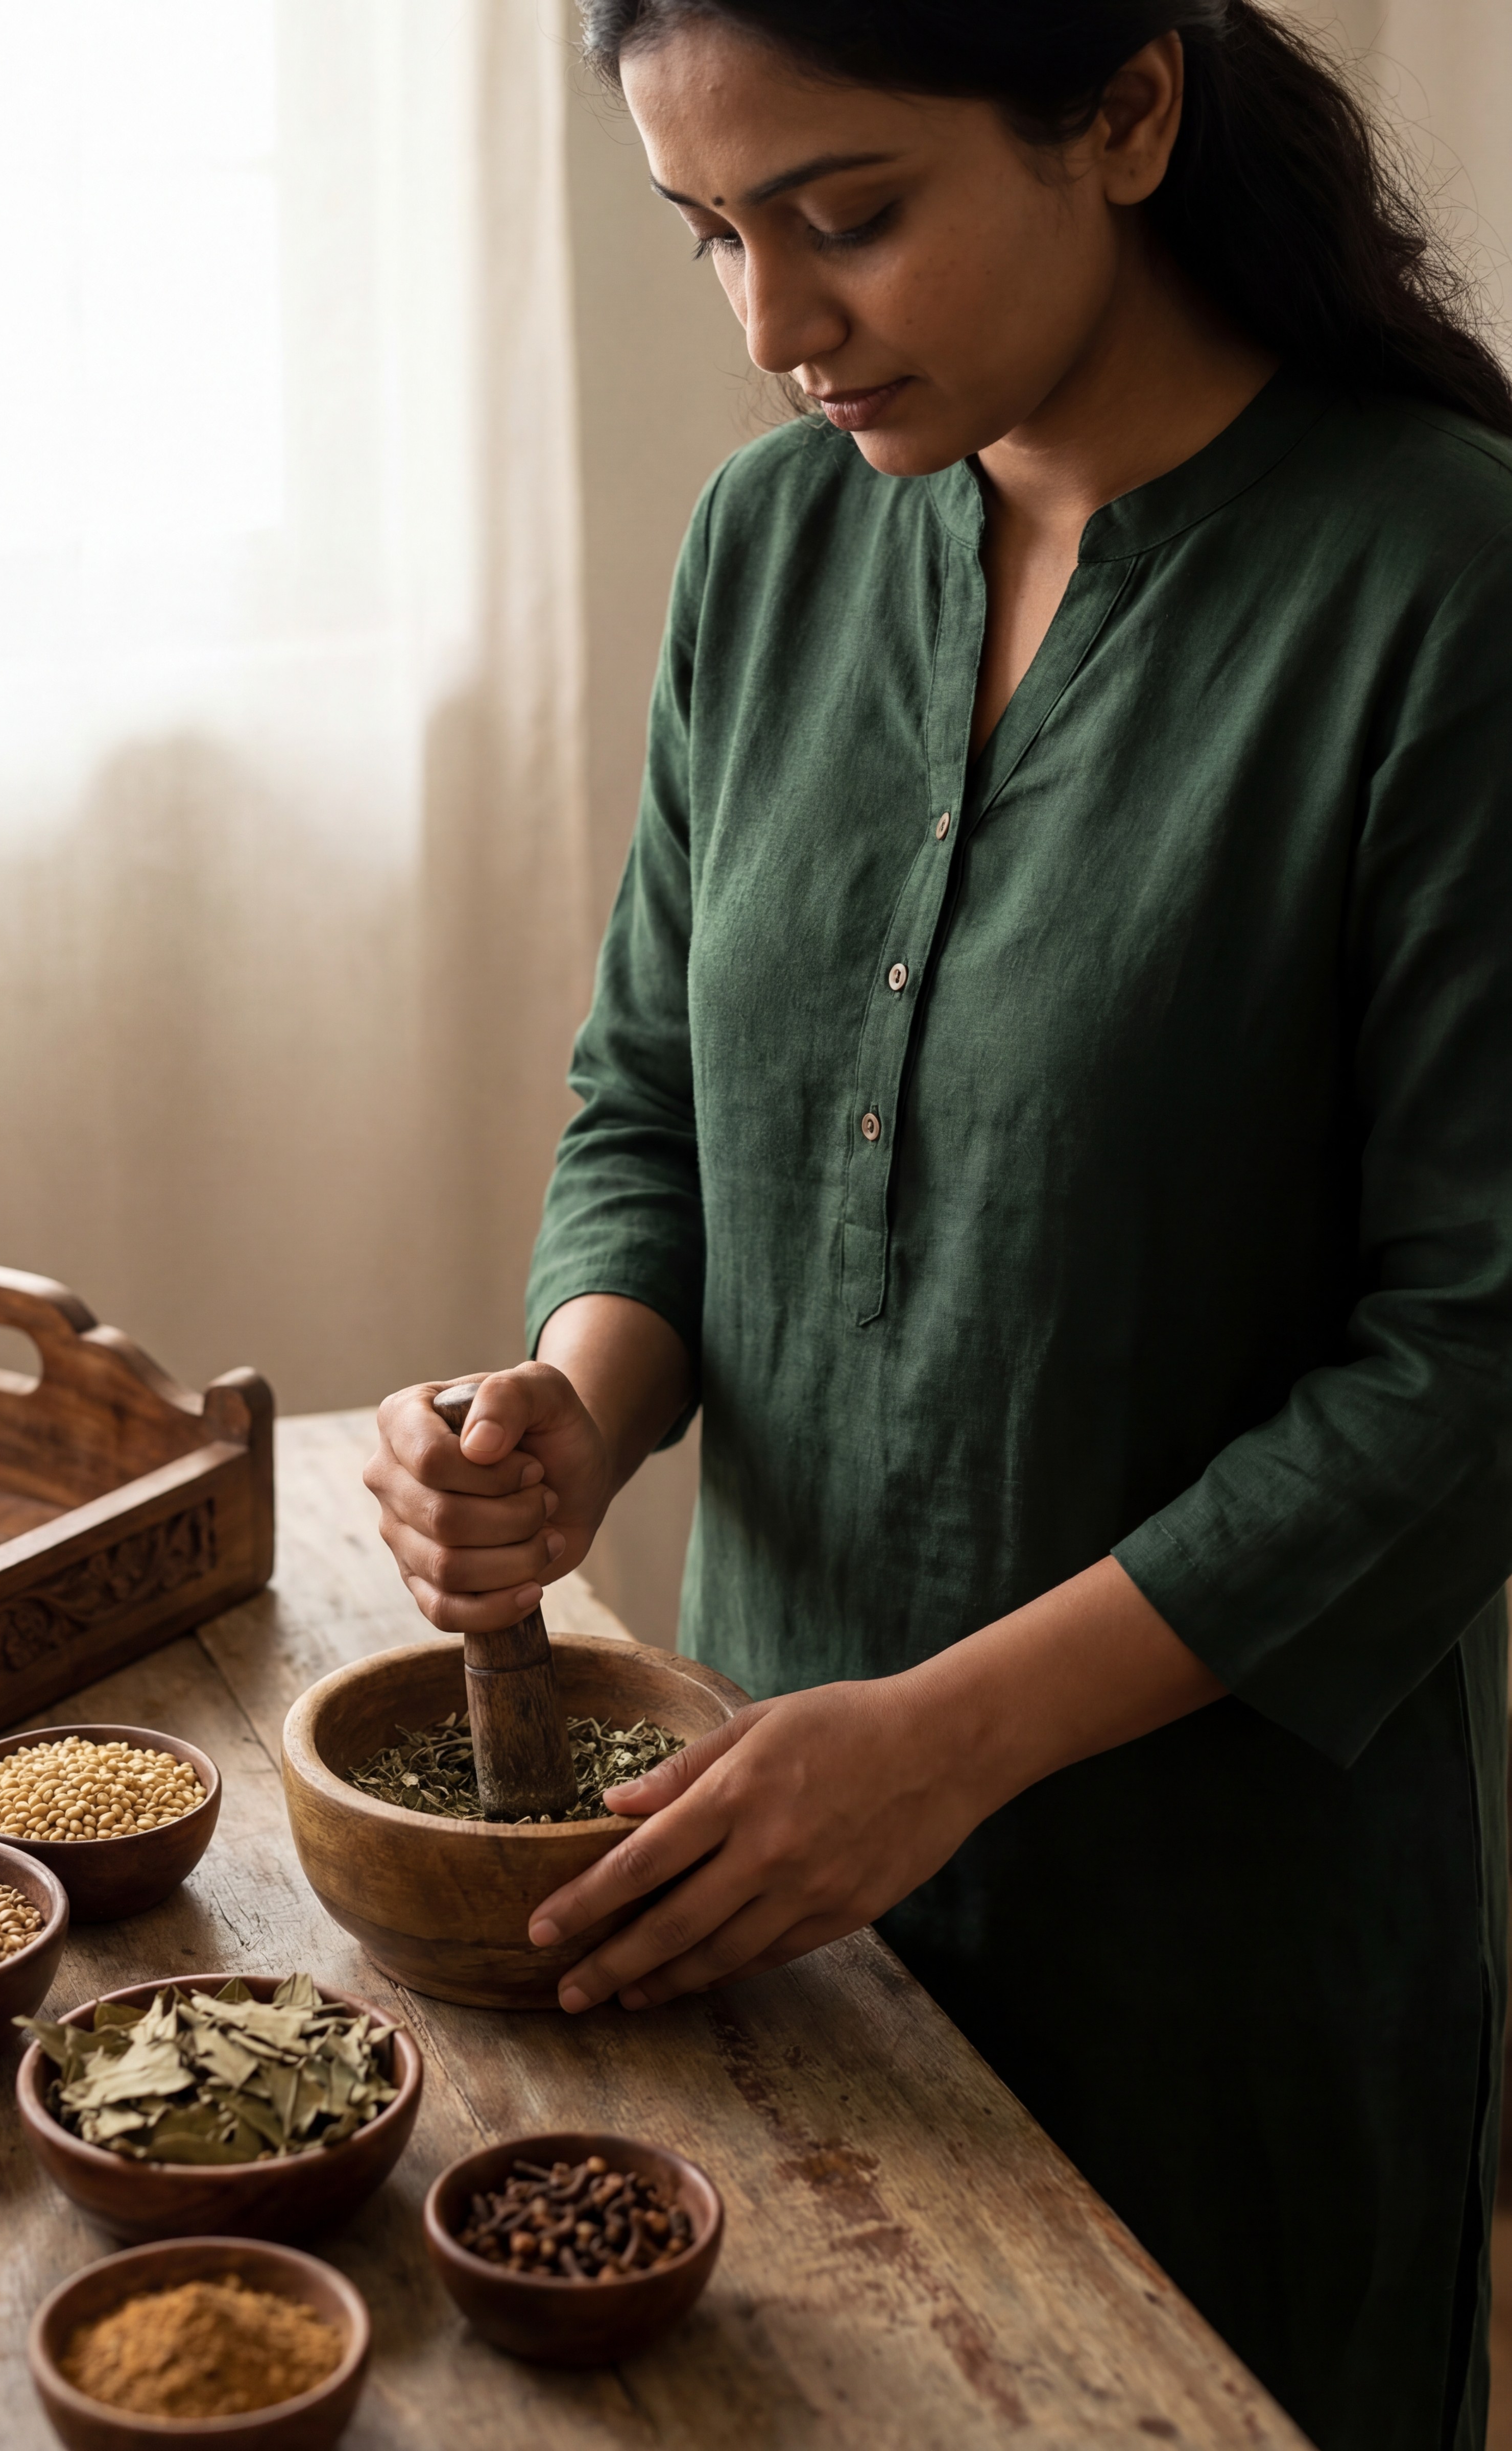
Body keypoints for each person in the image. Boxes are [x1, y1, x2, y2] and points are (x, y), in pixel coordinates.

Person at [363, 6, 1512, 2444]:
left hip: (1213, 1934)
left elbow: (1467, 1371)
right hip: (744, 1856)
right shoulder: (771, 546)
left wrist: (943, 1749)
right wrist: (571, 1411)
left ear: (1119, 112)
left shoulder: (1439, 588)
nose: (775, 326)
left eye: (845, 213)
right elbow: (651, 1096)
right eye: (709, 235)